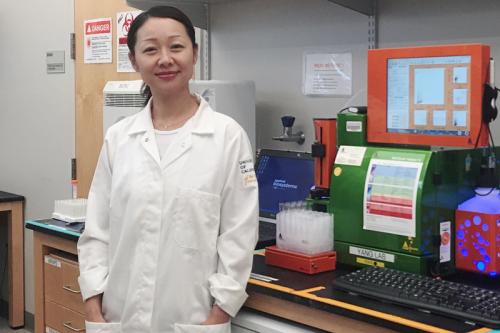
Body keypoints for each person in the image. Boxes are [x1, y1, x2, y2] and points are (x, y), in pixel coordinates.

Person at [77, 6, 259, 333]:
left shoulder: (227, 136)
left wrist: (220, 312)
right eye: (150, 49)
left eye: (176, 47)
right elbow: (96, 231)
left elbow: (239, 235)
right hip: (120, 314)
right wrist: (92, 303)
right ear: (134, 61)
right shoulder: (120, 137)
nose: (165, 59)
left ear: (194, 53)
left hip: (192, 317)